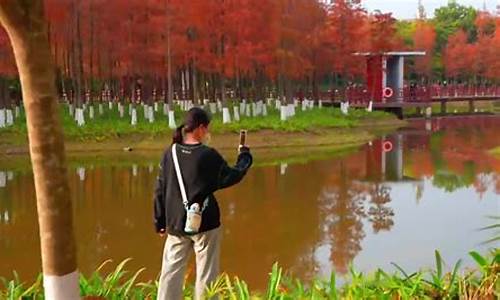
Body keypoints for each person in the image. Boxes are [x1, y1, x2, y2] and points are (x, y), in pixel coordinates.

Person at [153, 107, 253, 300]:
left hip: (175, 223)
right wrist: (245, 157)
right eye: (206, 128)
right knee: (207, 274)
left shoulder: (169, 153)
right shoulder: (207, 155)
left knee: (170, 273)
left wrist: (159, 221)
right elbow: (232, 176)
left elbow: (159, 189)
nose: (207, 133)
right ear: (199, 128)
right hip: (205, 224)